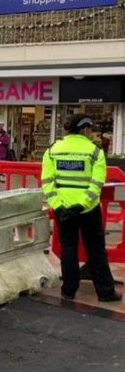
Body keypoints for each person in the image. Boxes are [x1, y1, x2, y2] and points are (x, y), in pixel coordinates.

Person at [42, 114, 121, 302]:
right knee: (96, 250)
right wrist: (82, 204)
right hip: (88, 210)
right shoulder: (95, 152)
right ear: (85, 129)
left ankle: (68, 291)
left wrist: (58, 206)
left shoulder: (52, 150)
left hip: (63, 210)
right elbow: (96, 184)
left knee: (68, 249)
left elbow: (47, 182)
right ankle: (105, 292)